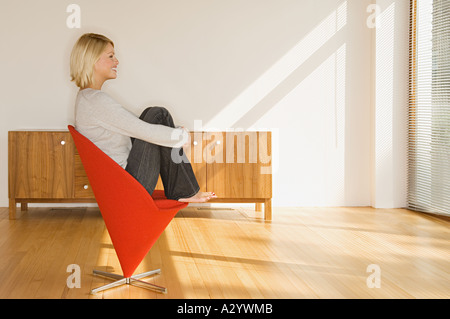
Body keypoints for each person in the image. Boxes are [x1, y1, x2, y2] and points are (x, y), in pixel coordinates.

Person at [70, 33, 216, 203]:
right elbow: (141, 130)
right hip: (128, 186)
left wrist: (174, 132)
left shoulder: (87, 99)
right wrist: (181, 136)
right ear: (92, 60)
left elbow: (133, 124)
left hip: (123, 181)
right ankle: (184, 190)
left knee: (155, 114)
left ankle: (184, 190)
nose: (117, 61)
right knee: (158, 113)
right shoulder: (96, 101)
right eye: (111, 56)